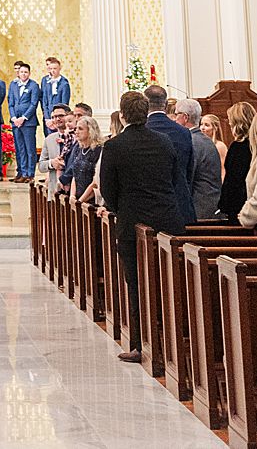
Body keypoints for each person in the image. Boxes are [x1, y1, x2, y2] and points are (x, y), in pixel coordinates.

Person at [99, 90, 183, 362]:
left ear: (122, 115)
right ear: (146, 113)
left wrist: (119, 209)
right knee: (170, 281)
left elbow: (108, 189)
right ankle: (174, 342)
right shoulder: (164, 141)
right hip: (167, 219)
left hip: (132, 221)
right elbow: (173, 177)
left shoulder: (114, 146)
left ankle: (138, 344)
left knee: (135, 283)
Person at [142, 84, 196, 227]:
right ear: (165, 104)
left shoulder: (141, 131)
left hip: (148, 209)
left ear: (145, 104)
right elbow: (189, 170)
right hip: (179, 205)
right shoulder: (184, 132)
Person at [175, 98, 221, 221]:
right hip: (209, 204)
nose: (174, 119)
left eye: (176, 114)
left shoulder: (192, 142)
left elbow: (188, 178)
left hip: (200, 208)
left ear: (185, 117)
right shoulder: (204, 140)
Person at [6, 60, 40, 180]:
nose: (24, 74)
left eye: (26, 72)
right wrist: (14, 118)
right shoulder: (13, 85)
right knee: (19, 149)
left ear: (29, 73)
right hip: (15, 122)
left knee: (29, 148)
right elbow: (10, 103)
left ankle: (29, 174)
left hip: (28, 122)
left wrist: (23, 118)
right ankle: (21, 172)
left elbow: (33, 103)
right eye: (21, 72)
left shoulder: (34, 85)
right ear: (18, 73)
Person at [67, 111, 103, 205]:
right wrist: (72, 196)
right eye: (76, 129)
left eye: (80, 129)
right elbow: (75, 175)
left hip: (91, 200)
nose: (76, 132)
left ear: (90, 130)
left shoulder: (98, 150)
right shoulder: (79, 149)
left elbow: (95, 181)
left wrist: (81, 201)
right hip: (77, 198)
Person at [37, 104, 72, 196]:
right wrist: (52, 163)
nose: (57, 119)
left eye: (60, 116)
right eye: (54, 117)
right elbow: (41, 166)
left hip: (73, 189)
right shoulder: (49, 139)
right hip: (54, 191)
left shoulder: (77, 137)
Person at [38, 56, 72, 128]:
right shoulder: (46, 82)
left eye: (55, 68)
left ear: (59, 68)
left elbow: (64, 103)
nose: (53, 71)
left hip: (59, 118)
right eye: (51, 69)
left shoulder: (64, 83)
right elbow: (44, 101)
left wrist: (55, 118)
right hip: (47, 119)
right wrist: (47, 118)